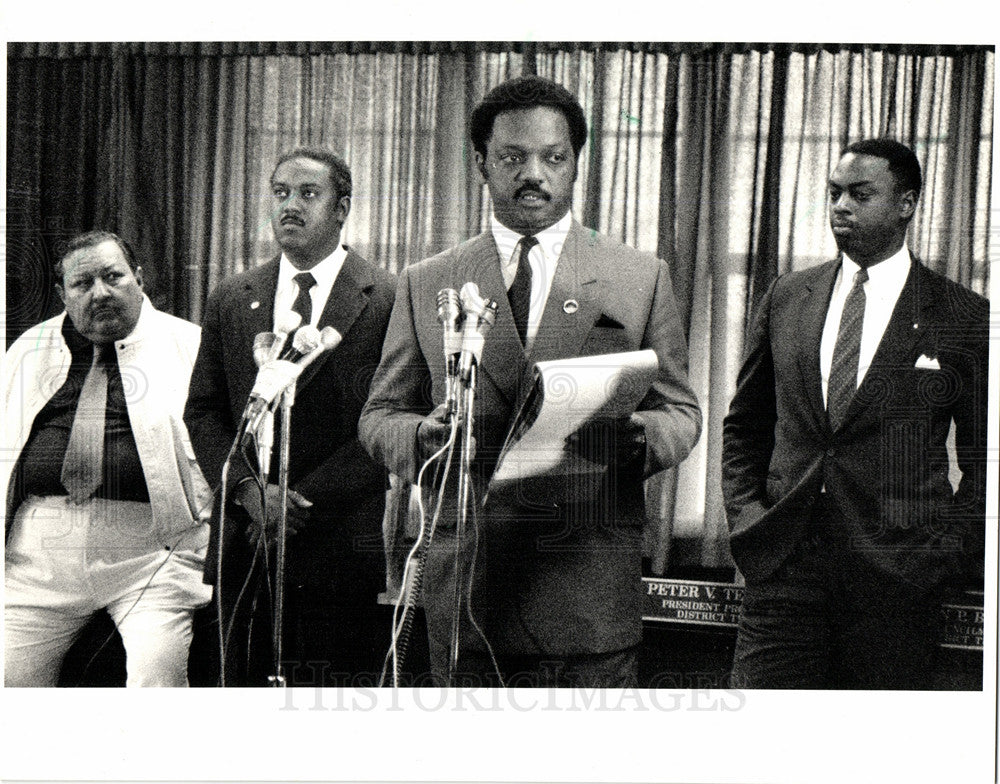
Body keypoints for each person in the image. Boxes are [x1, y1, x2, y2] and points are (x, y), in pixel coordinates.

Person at [359, 76, 702, 687]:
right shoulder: (428, 280)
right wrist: (421, 437)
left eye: (554, 157)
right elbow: (381, 415)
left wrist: (638, 437)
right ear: (482, 165)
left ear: (575, 166)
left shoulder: (637, 276)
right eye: (513, 158)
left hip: (584, 589)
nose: (534, 174)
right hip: (469, 588)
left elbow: (679, 410)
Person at [722, 139, 989, 689]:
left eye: (860, 195)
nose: (840, 206)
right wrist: (748, 518)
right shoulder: (787, 296)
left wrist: (943, 554)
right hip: (783, 575)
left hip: (896, 585)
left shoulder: (961, 313)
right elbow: (745, 426)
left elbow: (987, 459)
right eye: (834, 193)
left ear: (906, 203)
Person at [184, 146, 395, 686]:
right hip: (244, 537)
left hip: (339, 543)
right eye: (281, 193)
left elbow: (389, 417)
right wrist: (252, 496)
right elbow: (204, 411)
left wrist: (296, 505)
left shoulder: (388, 298)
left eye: (309, 194)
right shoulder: (233, 297)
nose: (290, 207)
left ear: (342, 207)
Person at [3, 230, 213, 686]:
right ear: (62, 294)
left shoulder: (191, 345)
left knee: (156, 678)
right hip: (38, 555)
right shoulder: (28, 350)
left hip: (152, 555)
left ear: (138, 278)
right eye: (82, 284)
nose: (100, 292)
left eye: (113, 276)